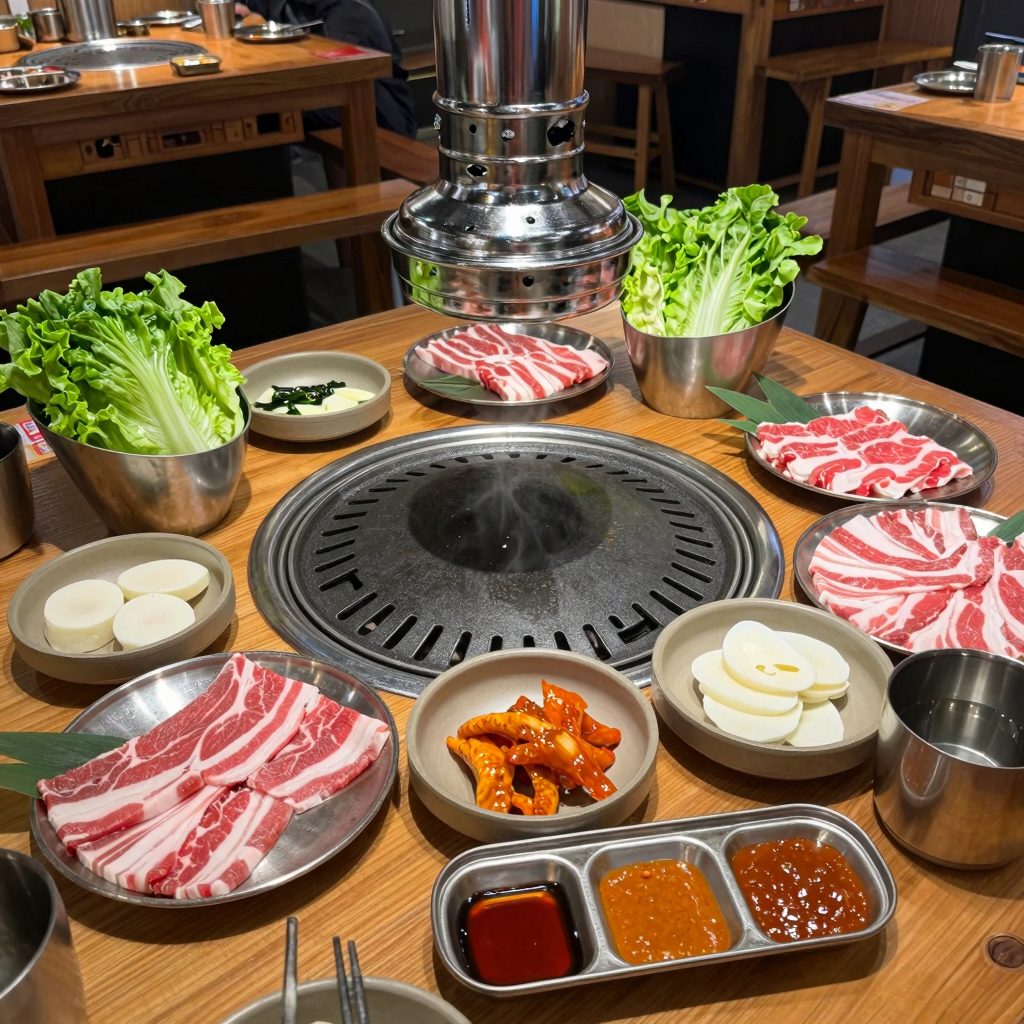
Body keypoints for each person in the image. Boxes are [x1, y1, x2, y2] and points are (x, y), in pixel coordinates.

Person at [235, 0, 417, 138]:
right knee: (257, 114)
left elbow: (345, 78)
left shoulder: (347, 12)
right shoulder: (292, 6)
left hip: (381, 112)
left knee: (259, 116)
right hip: (340, 99)